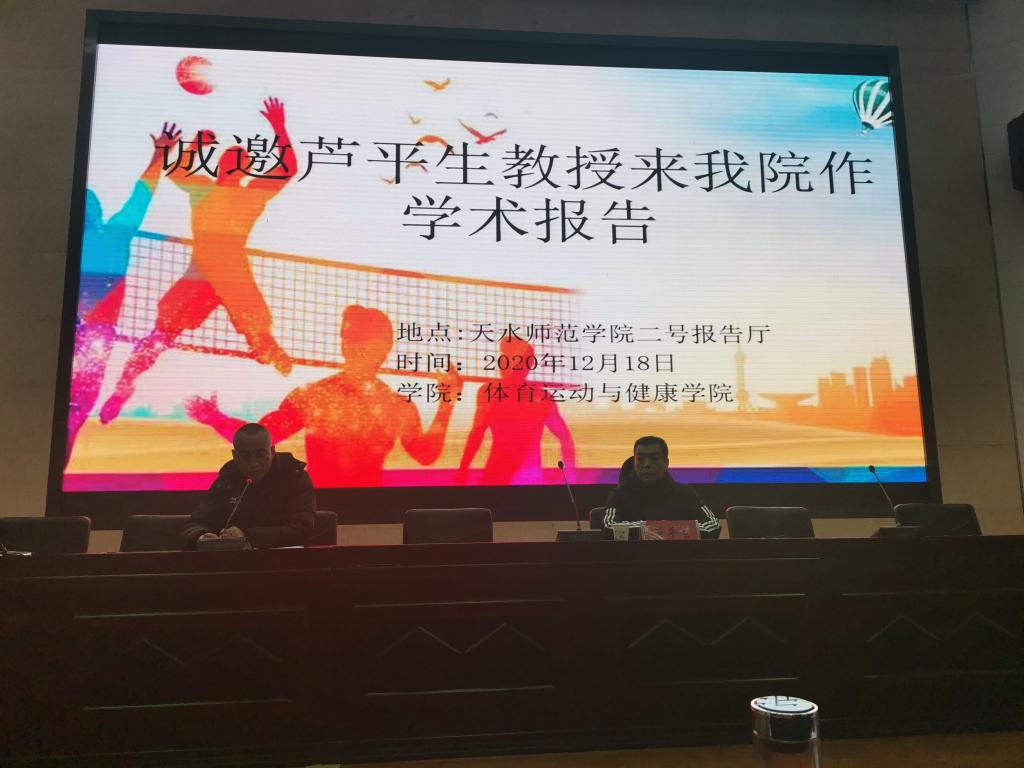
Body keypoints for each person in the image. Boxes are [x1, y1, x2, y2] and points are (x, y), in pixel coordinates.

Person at [100, 97, 297, 425]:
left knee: (259, 335)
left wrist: (280, 128)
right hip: (205, 273)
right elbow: (177, 170)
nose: (232, 163)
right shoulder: (204, 189)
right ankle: (123, 387)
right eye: (228, 159)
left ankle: (267, 349)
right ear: (220, 166)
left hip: (230, 274)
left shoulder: (250, 192)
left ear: (245, 168)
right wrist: (195, 146)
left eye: (238, 160)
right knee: (159, 336)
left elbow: (288, 169)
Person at [185, 305, 462, 487]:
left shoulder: (391, 404)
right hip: (318, 510)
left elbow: (425, 455)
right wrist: (214, 418)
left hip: (367, 510)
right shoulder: (317, 397)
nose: (354, 347)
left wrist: (447, 403)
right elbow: (262, 439)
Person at [65, 122, 181, 465]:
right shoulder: (115, 232)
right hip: (94, 336)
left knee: (69, 414)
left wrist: (159, 156)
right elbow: (141, 196)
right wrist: (159, 155)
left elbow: (140, 196)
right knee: (73, 415)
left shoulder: (91, 237)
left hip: (85, 335)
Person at [457, 337, 575, 485]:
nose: (502, 363)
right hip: (499, 477)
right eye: (503, 358)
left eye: (510, 359)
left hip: (525, 479)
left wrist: (570, 476)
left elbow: (565, 438)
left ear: (526, 364)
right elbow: (476, 434)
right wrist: (462, 472)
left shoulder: (541, 398)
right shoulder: (491, 393)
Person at [183, 423, 315, 549]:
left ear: (272, 451)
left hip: (283, 559)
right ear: (235, 456)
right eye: (245, 457)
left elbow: (302, 528)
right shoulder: (228, 478)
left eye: (261, 455)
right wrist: (202, 536)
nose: (254, 463)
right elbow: (195, 523)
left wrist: (248, 536)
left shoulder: (294, 477)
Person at [603, 435, 721, 539]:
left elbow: (712, 525)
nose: (647, 464)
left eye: (654, 459)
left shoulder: (684, 493)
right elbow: (609, 527)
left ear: (666, 463)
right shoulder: (619, 494)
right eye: (640, 459)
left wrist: (661, 530)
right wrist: (660, 529)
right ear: (634, 462)